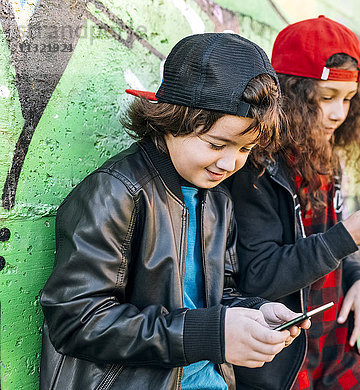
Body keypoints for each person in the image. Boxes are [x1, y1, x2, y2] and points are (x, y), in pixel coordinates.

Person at [39, 33, 309, 390]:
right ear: (172, 121)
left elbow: (217, 294)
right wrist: (210, 333)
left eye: (245, 149)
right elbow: (77, 321)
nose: (229, 163)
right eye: (217, 144)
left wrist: (255, 310)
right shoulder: (117, 192)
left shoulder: (218, 201)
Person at [227, 16, 360, 390]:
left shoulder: (322, 156)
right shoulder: (256, 169)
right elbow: (259, 277)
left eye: (348, 99)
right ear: (291, 95)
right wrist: (349, 236)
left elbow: (337, 240)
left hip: (334, 352)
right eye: (325, 98)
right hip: (286, 365)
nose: (338, 113)